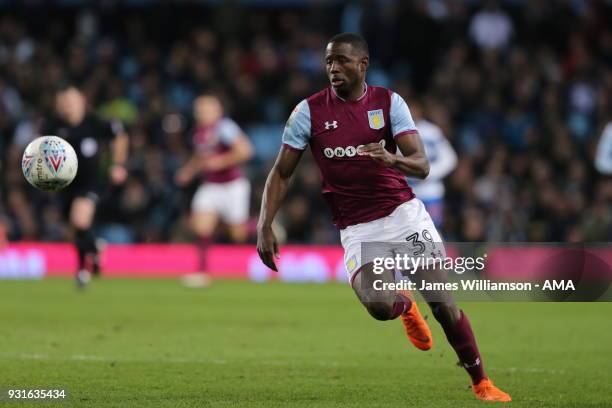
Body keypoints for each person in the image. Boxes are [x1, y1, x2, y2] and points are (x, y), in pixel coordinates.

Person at [257, 33, 511, 402]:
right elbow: (281, 173)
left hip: (404, 216)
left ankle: (481, 381)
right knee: (378, 305)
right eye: (329, 61)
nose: (333, 67)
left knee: (442, 303)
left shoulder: (389, 103)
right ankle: (405, 305)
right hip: (357, 228)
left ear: (362, 65)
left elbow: (422, 165)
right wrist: (264, 224)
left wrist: (393, 160)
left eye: (342, 60)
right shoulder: (308, 112)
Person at [42, 83, 129, 287]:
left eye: (72, 101)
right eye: (63, 102)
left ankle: (82, 270)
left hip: (92, 183)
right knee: (75, 230)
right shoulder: (52, 126)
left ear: (82, 101)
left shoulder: (95, 122)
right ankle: (94, 249)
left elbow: (120, 136)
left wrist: (118, 164)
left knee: (80, 220)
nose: (68, 106)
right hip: (64, 185)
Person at [175, 93, 253, 288]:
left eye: (206, 109)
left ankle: (258, 226)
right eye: (199, 109)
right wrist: (188, 171)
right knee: (200, 226)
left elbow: (245, 151)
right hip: (211, 185)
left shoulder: (225, 127)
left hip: (232, 186)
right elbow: (202, 157)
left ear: (217, 110)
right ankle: (202, 273)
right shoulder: (199, 132)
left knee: (238, 235)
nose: (201, 113)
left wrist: (220, 162)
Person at [404, 100, 457, 228]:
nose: (411, 113)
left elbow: (450, 159)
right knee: (409, 230)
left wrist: (429, 172)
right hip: (407, 191)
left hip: (431, 191)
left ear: (420, 110)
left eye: (414, 109)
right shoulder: (395, 131)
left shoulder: (431, 131)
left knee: (434, 228)